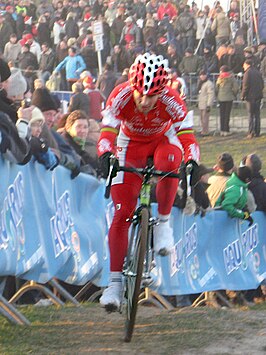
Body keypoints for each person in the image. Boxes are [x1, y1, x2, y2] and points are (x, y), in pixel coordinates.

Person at [97, 52, 200, 310]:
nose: (144, 101)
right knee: (122, 213)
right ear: (132, 85)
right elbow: (107, 133)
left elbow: (187, 137)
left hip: (162, 142)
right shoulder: (120, 96)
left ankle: (164, 224)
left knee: (170, 161)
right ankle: (115, 284)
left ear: (161, 91)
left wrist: (192, 161)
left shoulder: (172, 100)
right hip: (129, 144)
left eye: (151, 95)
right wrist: (106, 154)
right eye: (139, 93)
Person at [241, 59, 264, 138]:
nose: (243, 66)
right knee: (257, 115)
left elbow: (245, 86)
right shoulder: (258, 72)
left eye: (244, 64)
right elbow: (262, 84)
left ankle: (251, 132)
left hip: (250, 97)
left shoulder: (247, 73)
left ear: (247, 64)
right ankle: (257, 132)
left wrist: (243, 95)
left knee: (250, 115)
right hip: (258, 96)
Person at [216, 65, 239, 136]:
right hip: (229, 98)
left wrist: (218, 95)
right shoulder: (231, 78)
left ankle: (222, 130)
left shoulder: (219, 78)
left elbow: (216, 88)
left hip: (221, 98)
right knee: (227, 115)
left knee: (222, 114)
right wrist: (234, 94)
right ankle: (226, 130)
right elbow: (236, 88)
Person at [197, 70, 215, 136]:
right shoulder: (201, 83)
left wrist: (209, 105)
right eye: (200, 75)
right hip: (201, 103)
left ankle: (205, 131)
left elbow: (211, 95)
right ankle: (203, 130)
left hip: (206, 103)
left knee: (205, 118)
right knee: (202, 118)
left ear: (206, 75)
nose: (202, 76)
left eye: (203, 75)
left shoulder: (209, 84)